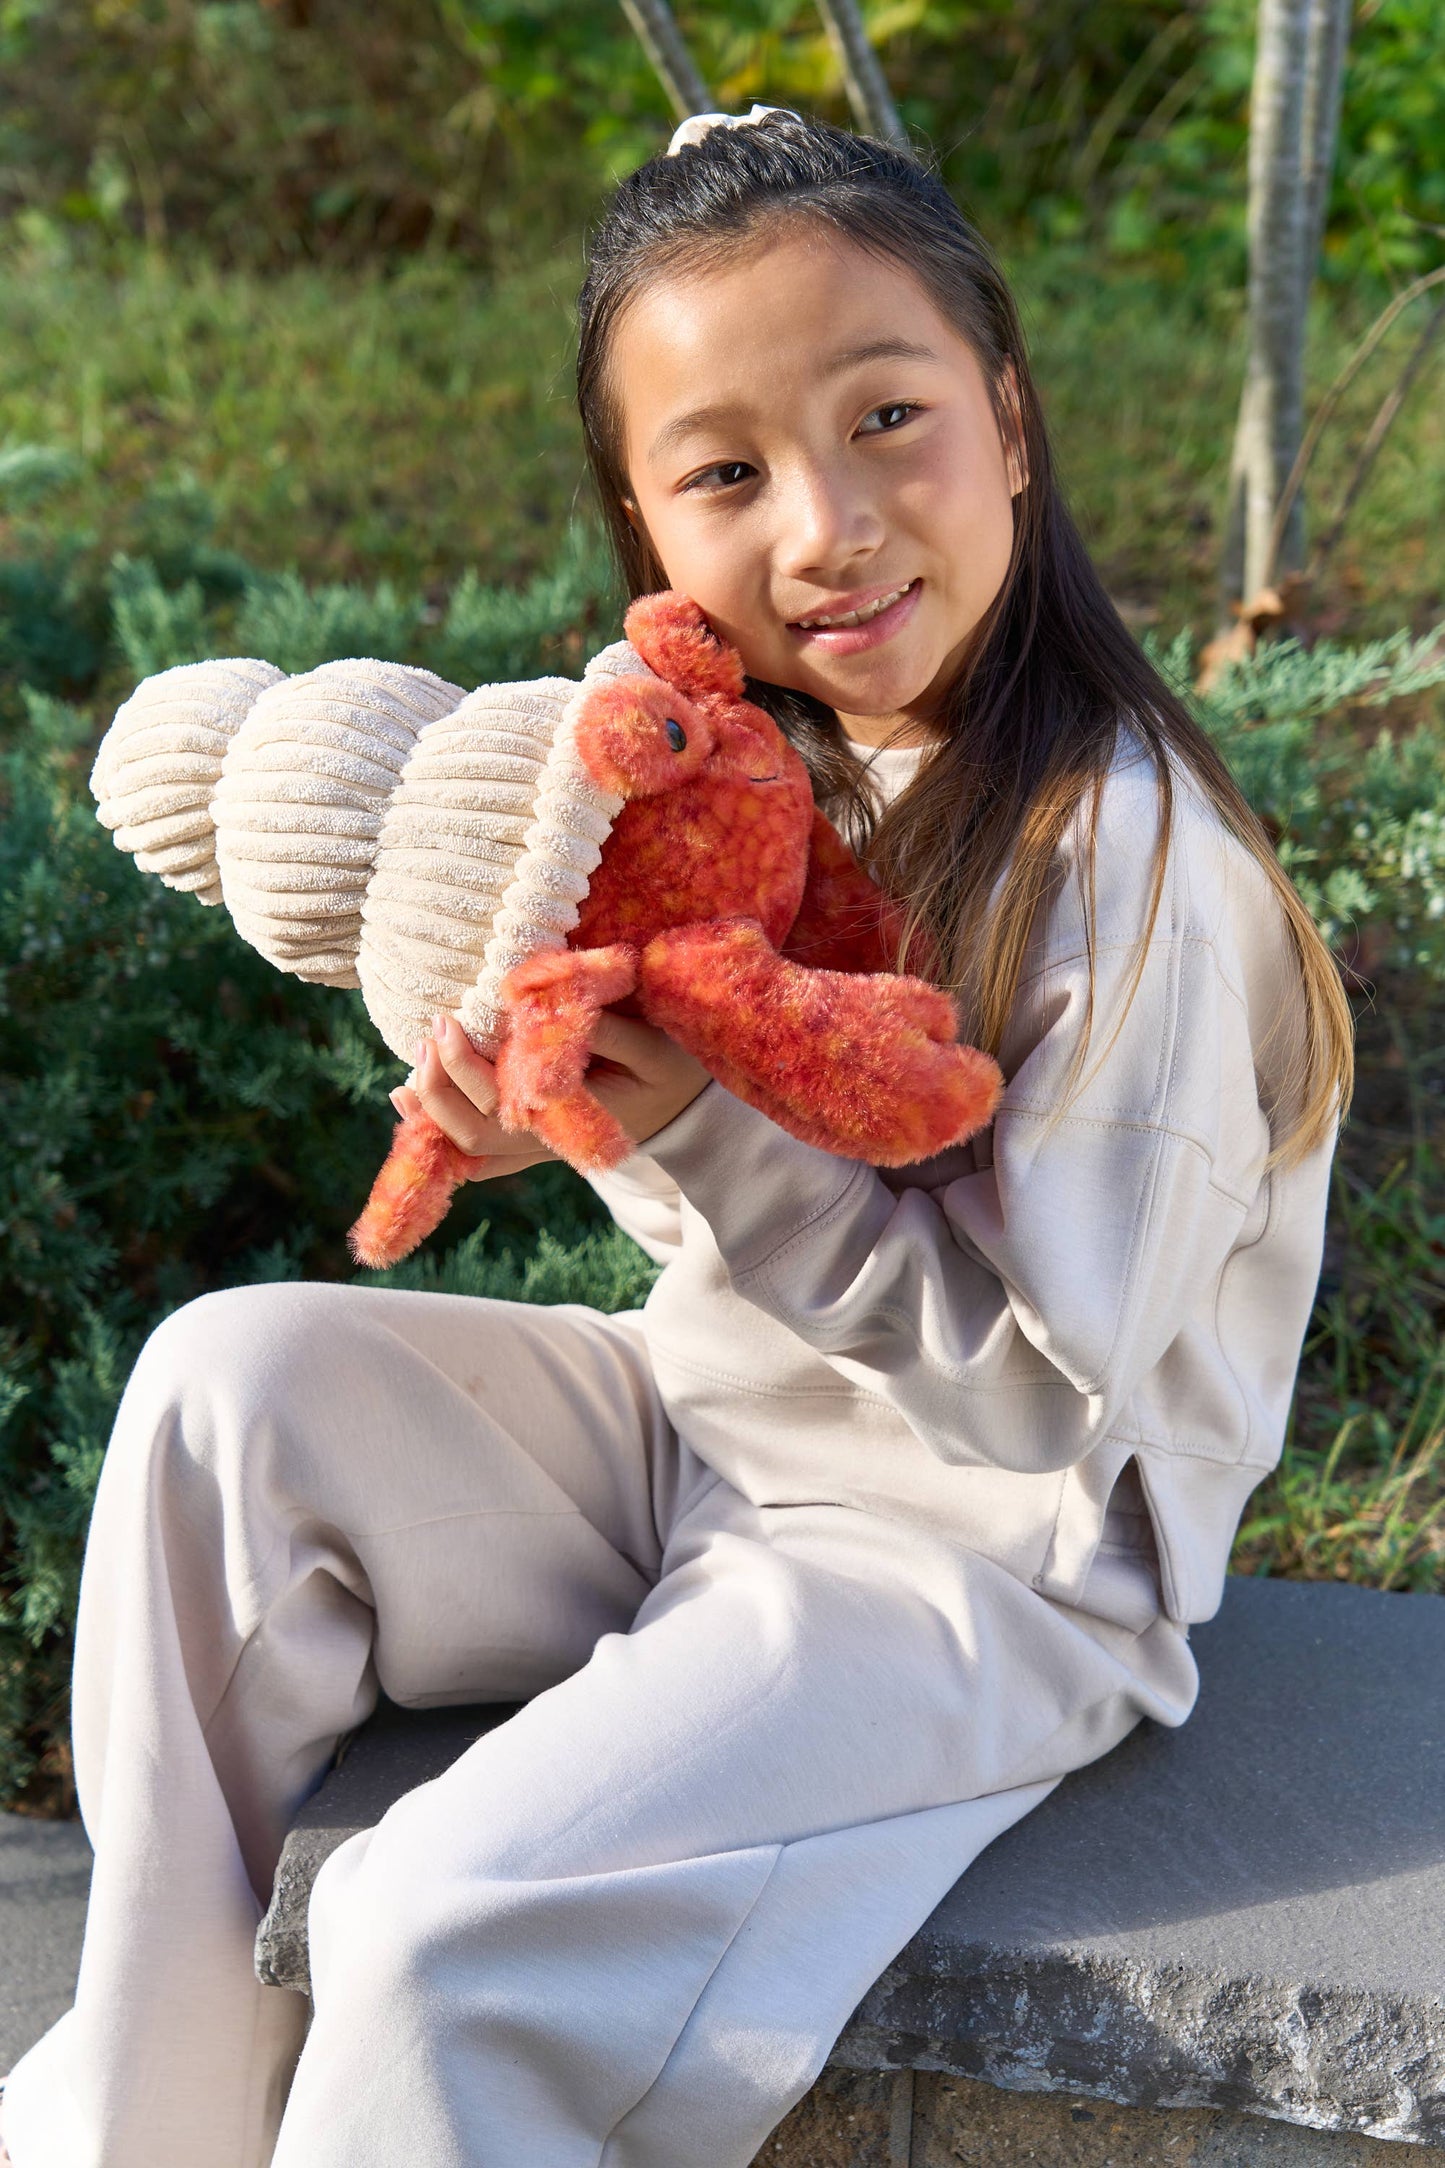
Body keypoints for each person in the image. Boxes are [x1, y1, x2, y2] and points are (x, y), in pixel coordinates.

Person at [0, 106, 1352, 2168]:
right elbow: (736, 1204)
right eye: (725, 472)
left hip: (989, 1566)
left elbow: (1040, 1415)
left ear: (1005, 414)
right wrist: (583, 1110)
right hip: (719, 1432)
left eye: (887, 415)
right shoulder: (764, 780)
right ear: (644, 527)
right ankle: (145, 2117)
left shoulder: (1130, 863)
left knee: (441, 1918)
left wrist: (704, 1134)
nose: (826, 523)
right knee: (221, 1388)